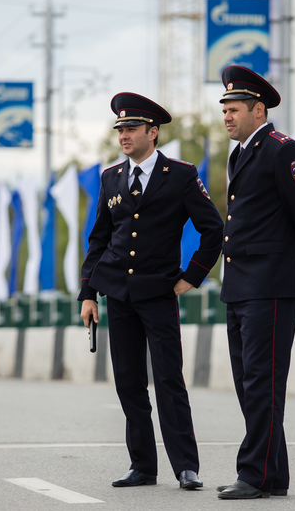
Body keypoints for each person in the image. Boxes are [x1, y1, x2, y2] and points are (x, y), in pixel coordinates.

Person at [78, 92, 224, 490]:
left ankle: (186, 467)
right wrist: (88, 294)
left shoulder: (179, 174)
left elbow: (213, 229)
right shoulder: (111, 177)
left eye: (130, 129)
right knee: (128, 382)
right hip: (117, 293)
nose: (123, 135)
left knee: (168, 380)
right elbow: (99, 238)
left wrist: (191, 277)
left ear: (152, 132)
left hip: (159, 293)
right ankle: (142, 465)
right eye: (120, 129)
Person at [215, 66, 295, 500]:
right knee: (248, 382)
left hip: (270, 285)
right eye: (224, 109)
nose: (227, 116)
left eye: (234, 109)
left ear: (258, 110)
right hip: (240, 284)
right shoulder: (242, 152)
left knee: (263, 380)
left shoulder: (283, 150)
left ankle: (254, 474)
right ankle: (273, 473)